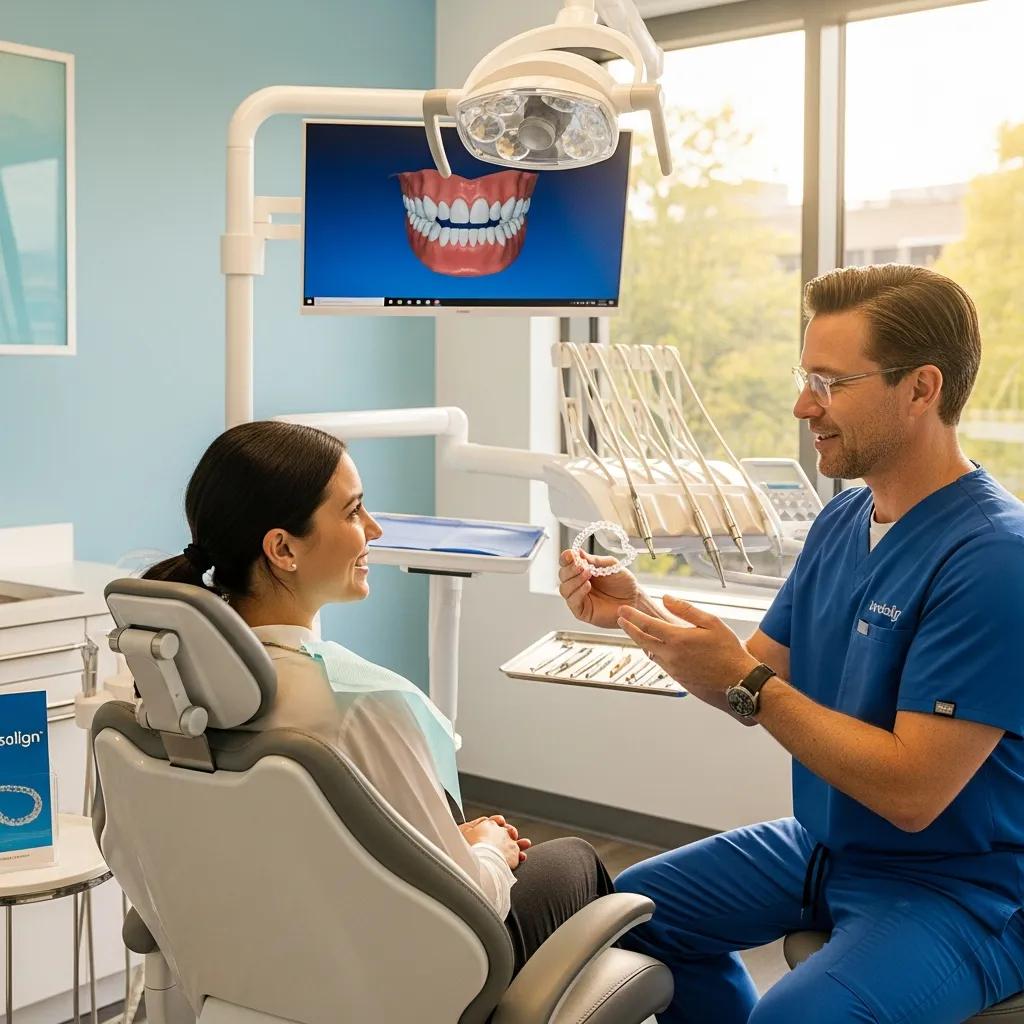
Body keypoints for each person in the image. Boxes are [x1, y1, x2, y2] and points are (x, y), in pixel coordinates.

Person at [558, 264, 1024, 1022]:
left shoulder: (995, 557)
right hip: (826, 847)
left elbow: (911, 793)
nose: (803, 404)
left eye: (831, 383)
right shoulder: (844, 521)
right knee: (625, 919)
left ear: (922, 389)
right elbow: (749, 677)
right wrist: (637, 611)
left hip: (960, 887)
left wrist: (748, 683)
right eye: (806, 376)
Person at [146, 419, 612, 974]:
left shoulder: (166, 694)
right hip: (403, 976)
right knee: (575, 863)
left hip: (267, 965)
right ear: (282, 549)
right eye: (352, 512)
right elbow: (470, 905)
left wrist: (443, 843)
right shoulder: (359, 705)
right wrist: (489, 849)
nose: (374, 530)